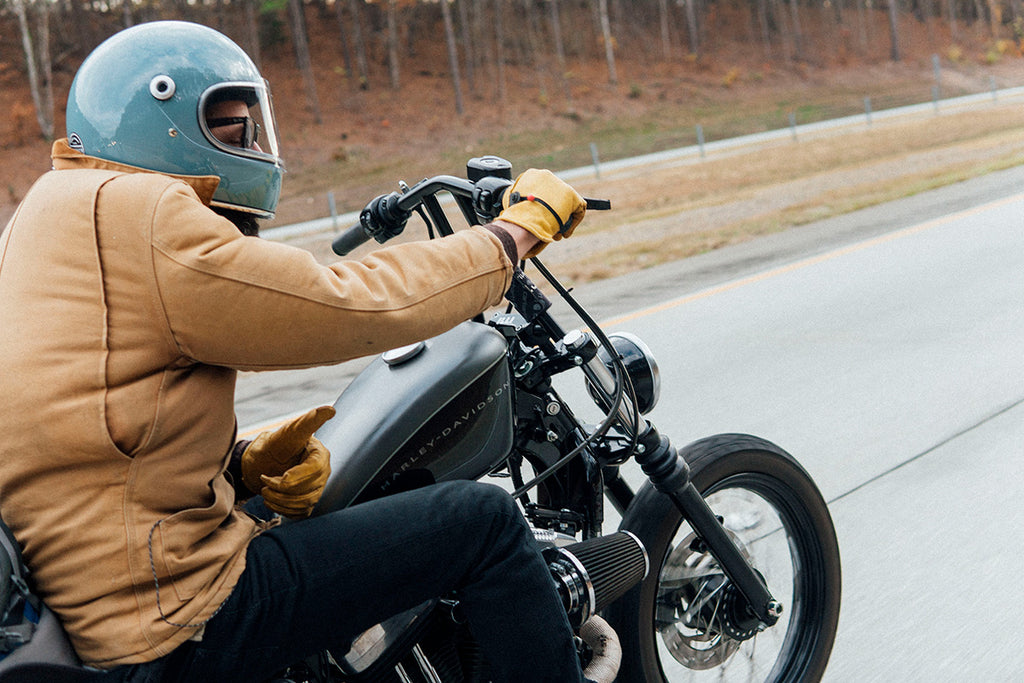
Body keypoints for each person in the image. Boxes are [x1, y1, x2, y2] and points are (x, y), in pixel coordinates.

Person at [0, 20, 610, 683]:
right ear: (159, 125)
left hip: (87, 590)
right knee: (482, 521)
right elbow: (350, 303)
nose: (254, 145)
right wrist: (509, 238)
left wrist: (238, 470)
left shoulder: (48, 212)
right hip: (165, 617)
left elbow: (86, 418)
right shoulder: (143, 216)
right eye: (233, 129)